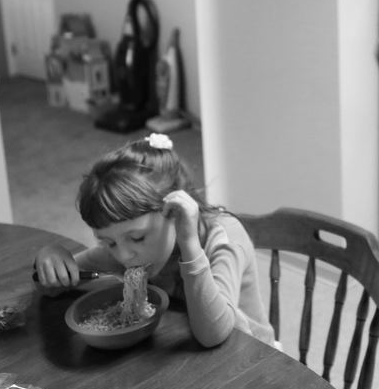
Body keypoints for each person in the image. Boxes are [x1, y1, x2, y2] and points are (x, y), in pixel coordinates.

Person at [33, 133, 274, 348]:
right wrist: (51, 258)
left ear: (174, 213)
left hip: (256, 359)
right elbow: (59, 282)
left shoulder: (222, 238)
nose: (124, 256)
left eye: (137, 237)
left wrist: (190, 245)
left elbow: (213, 334)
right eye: (108, 242)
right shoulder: (128, 249)